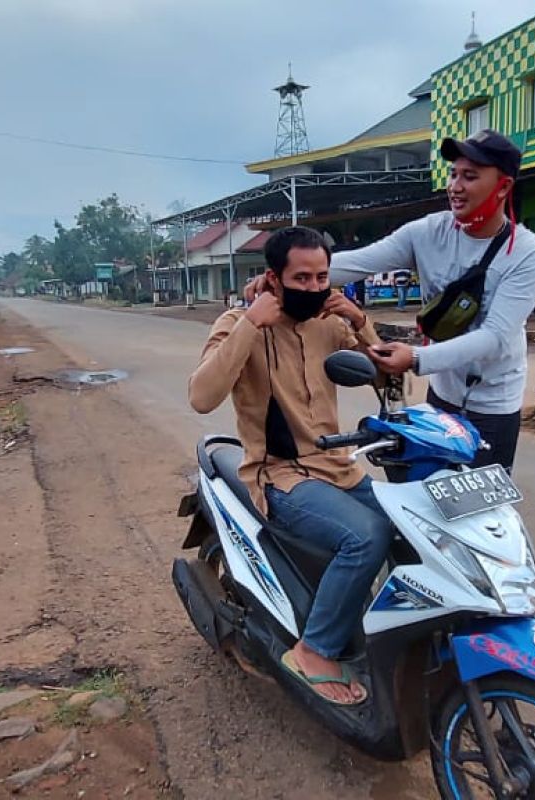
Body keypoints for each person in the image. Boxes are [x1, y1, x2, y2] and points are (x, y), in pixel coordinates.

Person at [244, 130, 535, 470]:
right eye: (453, 174)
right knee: (430, 499)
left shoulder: (528, 254)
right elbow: (355, 263)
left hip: (494, 405)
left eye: (470, 176)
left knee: (481, 511)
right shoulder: (428, 232)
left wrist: (415, 358)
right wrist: (283, 274)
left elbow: (493, 338)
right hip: (442, 398)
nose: (455, 186)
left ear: (503, 186)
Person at [188, 226, 391, 706]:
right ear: (273, 279)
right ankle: (313, 650)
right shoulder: (240, 322)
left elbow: (385, 372)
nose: (314, 287)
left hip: (340, 466)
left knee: (408, 528)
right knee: (365, 537)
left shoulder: (330, 324)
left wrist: (360, 322)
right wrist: (249, 323)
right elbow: (201, 396)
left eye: (321, 276)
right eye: (301, 278)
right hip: (279, 474)